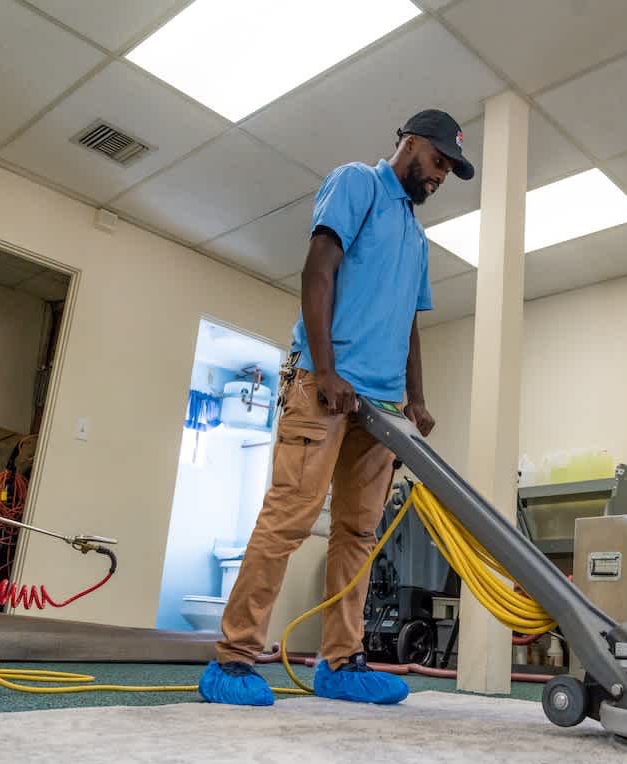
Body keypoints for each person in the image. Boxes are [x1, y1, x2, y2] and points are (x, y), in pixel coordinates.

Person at [198, 110, 475, 707]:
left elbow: (409, 326)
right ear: (410, 143)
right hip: (323, 387)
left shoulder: (418, 239)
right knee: (291, 515)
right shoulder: (357, 183)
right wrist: (324, 369)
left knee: (358, 532)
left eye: (449, 171)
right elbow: (318, 269)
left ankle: (342, 662)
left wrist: (417, 400)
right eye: (438, 162)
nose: (441, 177)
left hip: (381, 407)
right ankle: (235, 658)